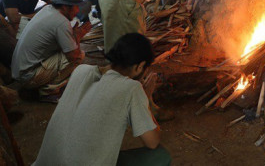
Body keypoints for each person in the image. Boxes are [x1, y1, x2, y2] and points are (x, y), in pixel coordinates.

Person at [33, 33, 171, 166]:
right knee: (161, 156)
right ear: (139, 66)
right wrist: (146, 100)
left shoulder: (80, 71)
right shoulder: (131, 89)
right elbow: (152, 142)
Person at [11, 0, 91, 102]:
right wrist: (77, 36)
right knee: (78, 56)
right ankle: (48, 92)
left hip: (20, 71)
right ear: (65, 7)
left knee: (68, 49)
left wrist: (73, 36)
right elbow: (73, 55)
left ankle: (42, 84)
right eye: (75, 7)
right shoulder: (61, 23)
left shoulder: (48, 9)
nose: (77, 11)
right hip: (28, 76)